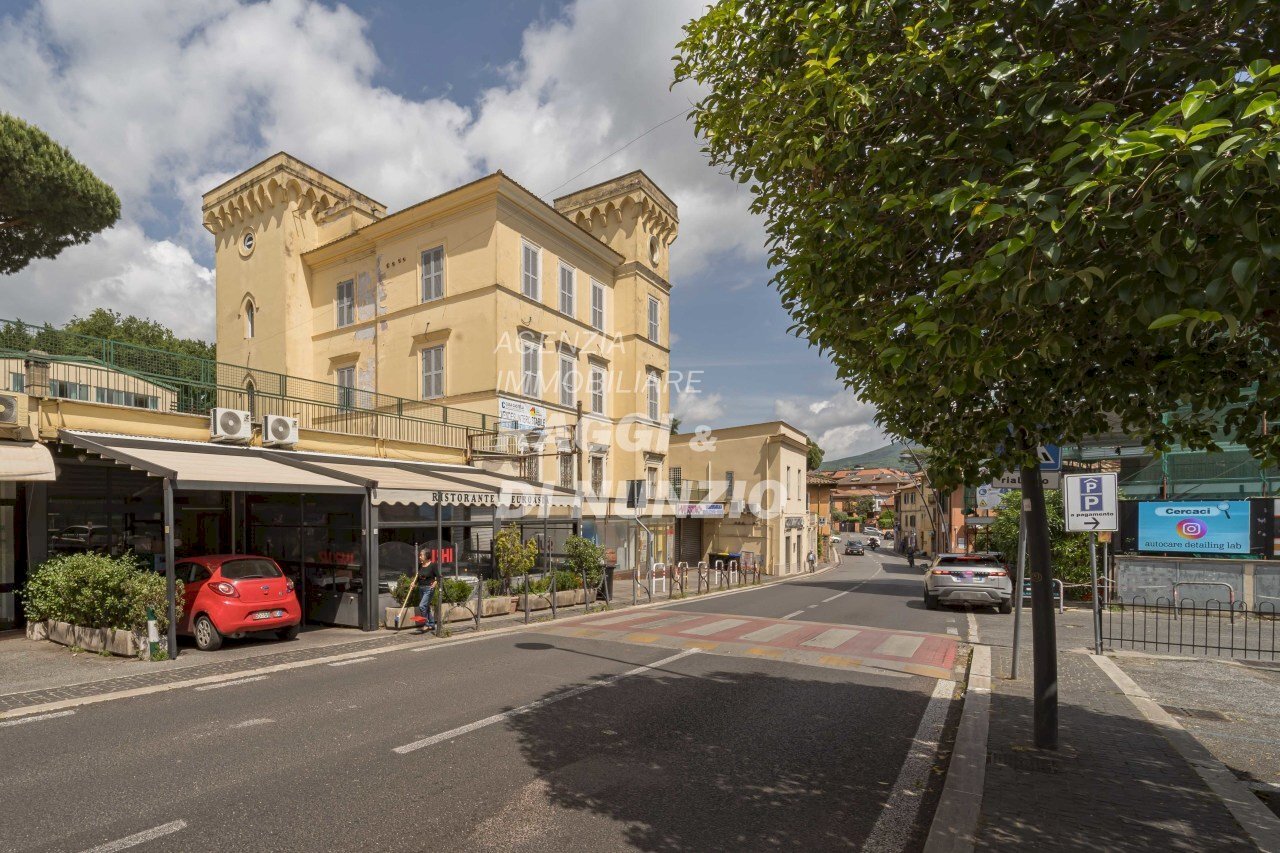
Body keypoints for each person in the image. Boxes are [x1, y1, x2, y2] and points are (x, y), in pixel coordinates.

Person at [414, 548, 439, 632]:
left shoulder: (433, 565)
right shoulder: (420, 565)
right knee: (426, 607)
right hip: (421, 588)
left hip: (429, 588)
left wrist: (435, 583)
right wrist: (413, 583)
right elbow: (418, 576)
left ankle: (426, 624)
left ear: (426, 556)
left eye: (421, 555)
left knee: (422, 606)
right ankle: (432, 624)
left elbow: (439, 576)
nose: (420, 557)